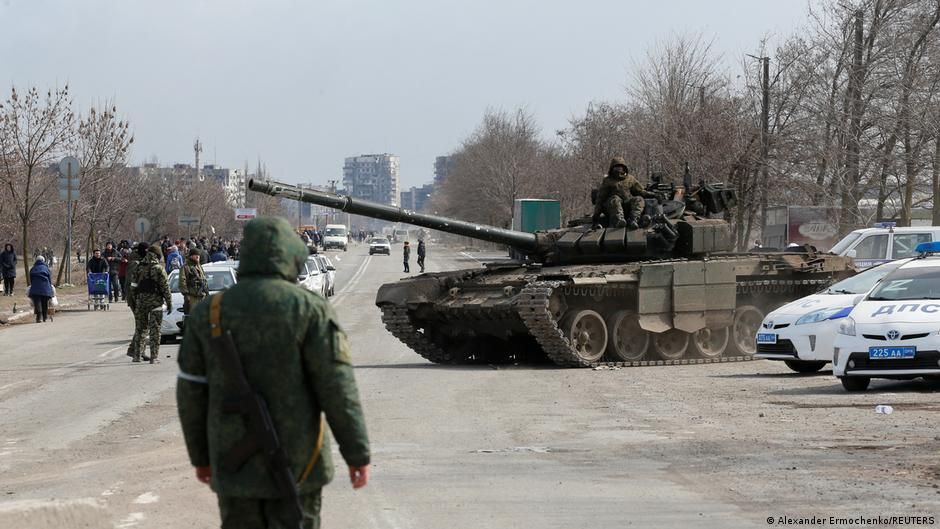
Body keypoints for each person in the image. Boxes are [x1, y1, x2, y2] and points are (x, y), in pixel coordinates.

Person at [176, 217, 371, 529]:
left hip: (233, 464)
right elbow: (336, 387)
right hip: (300, 463)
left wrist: (200, 457)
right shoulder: (310, 309)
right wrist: (357, 453)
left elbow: (191, 393)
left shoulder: (209, 312)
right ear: (291, 256)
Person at [127, 244, 171, 364]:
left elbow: (133, 287)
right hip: (156, 303)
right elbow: (165, 288)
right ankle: (154, 357)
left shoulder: (138, 267)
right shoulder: (158, 268)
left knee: (140, 329)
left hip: (141, 303)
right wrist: (169, 302)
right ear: (157, 255)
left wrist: (136, 300)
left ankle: (137, 356)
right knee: (155, 330)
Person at [591, 157, 656, 230]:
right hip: (612, 209)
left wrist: (653, 195)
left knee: (639, 199)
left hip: (626, 206)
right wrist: (596, 217)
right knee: (615, 198)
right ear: (612, 168)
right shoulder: (608, 181)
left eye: (621, 167)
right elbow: (600, 199)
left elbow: (640, 191)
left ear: (624, 168)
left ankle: (633, 220)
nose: (619, 170)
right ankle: (619, 220)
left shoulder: (630, 179)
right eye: (616, 168)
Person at [179, 248, 208, 315]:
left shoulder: (199, 266)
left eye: (198, 255)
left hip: (202, 296)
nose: (197, 256)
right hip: (193, 297)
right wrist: (186, 295)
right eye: (195, 255)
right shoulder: (185, 267)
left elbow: (204, 279)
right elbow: (182, 282)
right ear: (191, 256)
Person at [28, 256, 54, 323]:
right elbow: (49, 279)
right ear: (43, 260)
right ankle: (45, 317)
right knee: (45, 303)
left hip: (35, 288)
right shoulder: (46, 268)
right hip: (45, 288)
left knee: (37, 303)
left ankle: (39, 317)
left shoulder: (33, 268)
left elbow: (31, 279)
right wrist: (50, 286)